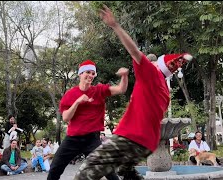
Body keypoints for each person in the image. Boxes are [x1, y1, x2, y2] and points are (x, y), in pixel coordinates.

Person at [74, 5, 193, 180]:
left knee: (85, 173)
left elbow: (134, 50)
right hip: (145, 145)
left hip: (129, 138)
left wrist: (115, 26)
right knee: (127, 173)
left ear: (156, 66)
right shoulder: (164, 93)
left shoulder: (151, 73)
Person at [47, 57, 128, 180]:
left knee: (108, 171)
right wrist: (77, 102)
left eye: (93, 73)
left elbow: (121, 89)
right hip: (73, 139)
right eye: (87, 72)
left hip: (92, 139)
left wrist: (124, 76)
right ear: (80, 73)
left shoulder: (99, 91)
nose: (90, 75)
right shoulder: (70, 94)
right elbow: (65, 117)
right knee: (55, 168)